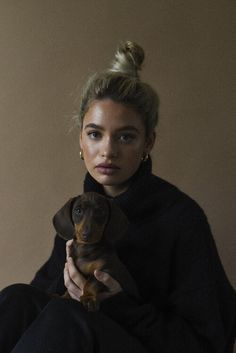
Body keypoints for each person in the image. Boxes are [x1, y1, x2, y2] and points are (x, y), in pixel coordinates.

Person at [0, 41, 235, 353]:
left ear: (148, 143)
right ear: (81, 140)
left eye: (125, 136)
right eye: (95, 134)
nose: (108, 150)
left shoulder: (180, 218)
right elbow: (36, 309)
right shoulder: (80, 215)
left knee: (67, 315)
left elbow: (206, 343)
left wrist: (120, 304)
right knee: (18, 298)